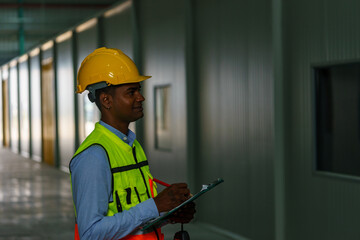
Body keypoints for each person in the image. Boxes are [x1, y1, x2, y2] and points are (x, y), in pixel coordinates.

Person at [69, 47, 195, 240]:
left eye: (139, 90)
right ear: (106, 100)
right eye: (131, 92)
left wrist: (167, 214)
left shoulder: (131, 146)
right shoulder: (93, 156)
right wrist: (155, 206)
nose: (141, 97)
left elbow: (131, 217)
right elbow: (90, 233)